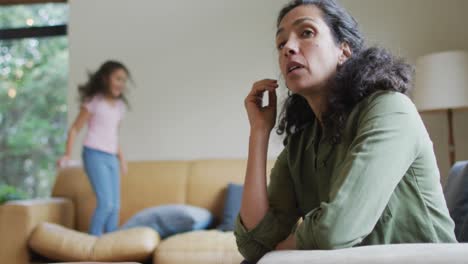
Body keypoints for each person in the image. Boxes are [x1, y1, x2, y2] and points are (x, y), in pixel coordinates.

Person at [235, 0, 457, 262]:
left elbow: (336, 229)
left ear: (344, 51)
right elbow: (253, 244)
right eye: (281, 43)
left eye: (306, 33)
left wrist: (280, 249)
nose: (288, 49)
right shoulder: (302, 144)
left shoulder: (390, 109)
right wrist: (259, 133)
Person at [57, 60, 130, 236]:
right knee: (106, 204)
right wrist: (67, 154)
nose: (121, 83)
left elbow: (113, 136)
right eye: (117, 78)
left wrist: (121, 159)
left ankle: (111, 245)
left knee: (115, 206)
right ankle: (92, 245)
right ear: (106, 79)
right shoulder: (94, 102)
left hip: (111, 156)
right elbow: (75, 128)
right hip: (94, 154)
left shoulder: (120, 107)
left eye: (124, 80)